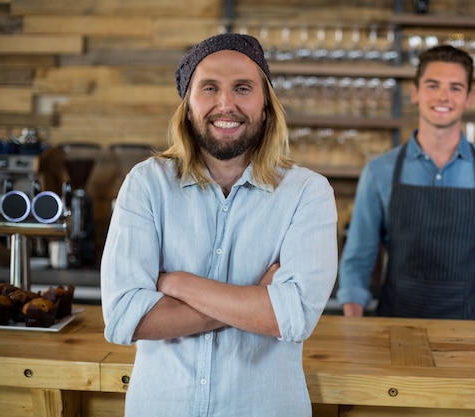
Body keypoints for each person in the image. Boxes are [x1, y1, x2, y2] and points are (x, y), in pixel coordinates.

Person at [100, 33, 338, 417]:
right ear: (189, 106)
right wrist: (253, 301)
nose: (226, 104)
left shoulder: (307, 193)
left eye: (243, 88)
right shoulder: (147, 184)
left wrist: (178, 284)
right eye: (209, 88)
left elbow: (291, 317)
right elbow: (126, 318)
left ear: (265, 106)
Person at [336, 45, 475, 321]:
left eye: (455, 88)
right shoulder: (379, 171)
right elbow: (357, 261)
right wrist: (354, 330)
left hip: (467, 336)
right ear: (415, 94)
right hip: (391, 331)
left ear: (469, 98)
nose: (443, 96)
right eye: (433, 85)